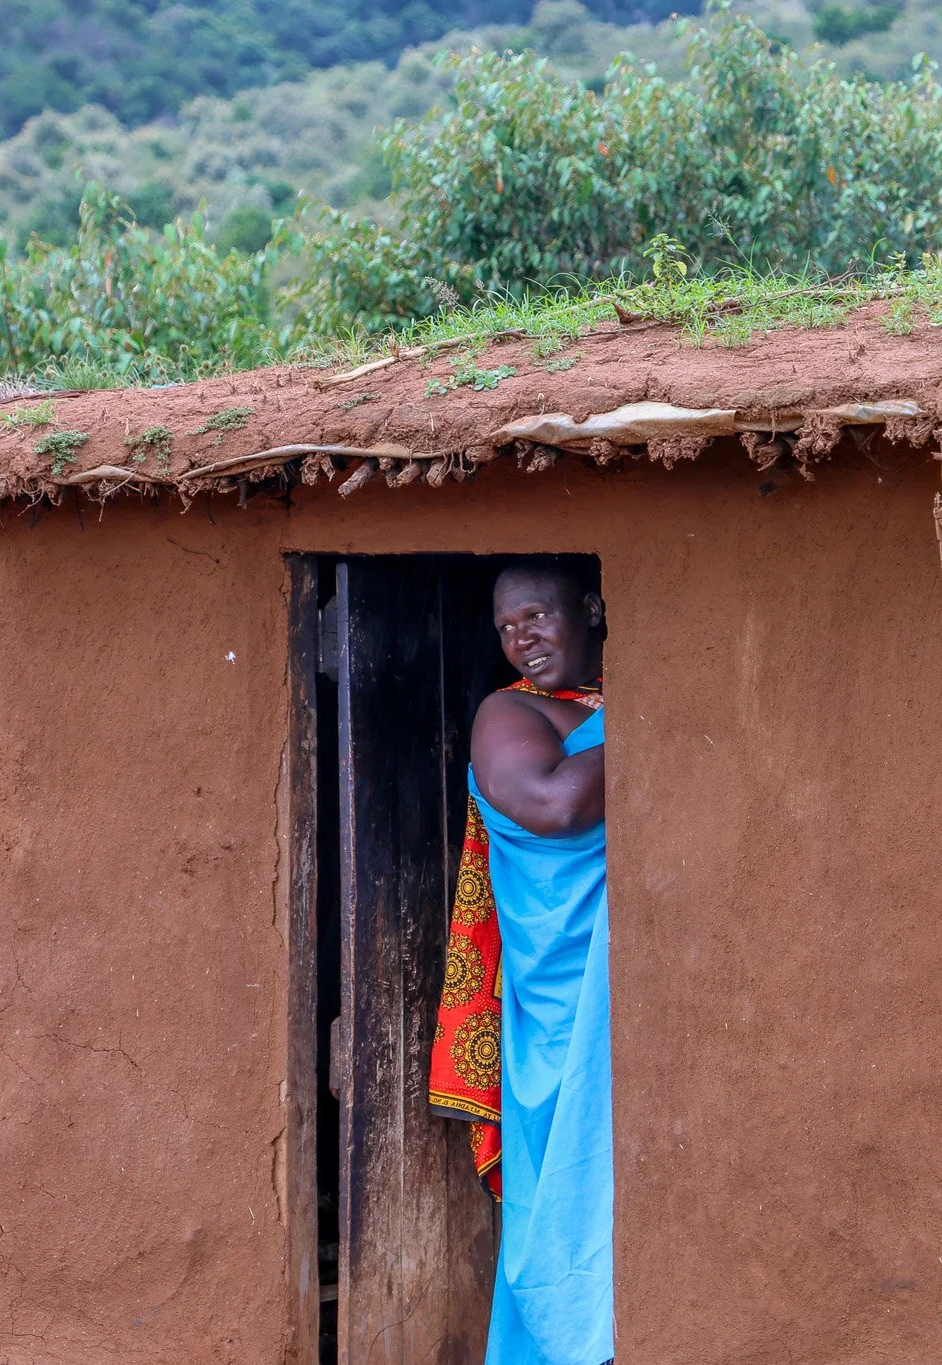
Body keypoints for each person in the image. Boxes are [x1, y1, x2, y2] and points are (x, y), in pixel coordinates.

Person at [428, 557, 613, 1365]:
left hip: (622, 987)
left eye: (536, 616)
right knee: (572, 1184)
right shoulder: (510, 713)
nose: (522, 640)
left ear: (593, 607)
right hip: (562, 996)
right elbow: (558, 804)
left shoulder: (595, 706)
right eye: (507, 628)